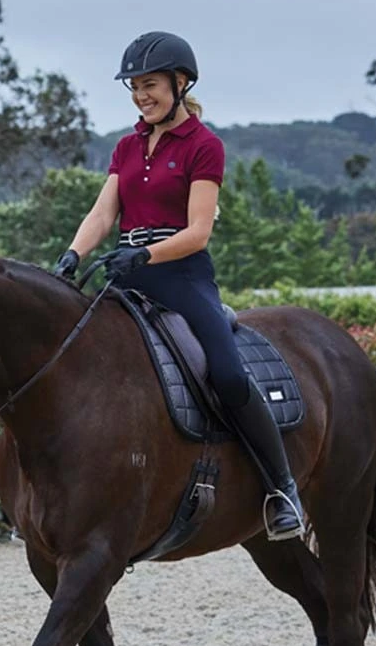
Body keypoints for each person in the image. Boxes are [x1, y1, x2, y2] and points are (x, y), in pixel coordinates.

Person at [53, 30, 305, 540]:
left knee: (228, 376)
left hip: (182, 277)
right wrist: (73, 255)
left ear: (180, 82)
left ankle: (282, 489)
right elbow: (103, 214)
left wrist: (145, 253)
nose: (140, 96)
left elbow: (198, 232)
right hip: (126, 276)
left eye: (149, 85)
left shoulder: (204, 146)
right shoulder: (126, 146)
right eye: (134, 87)